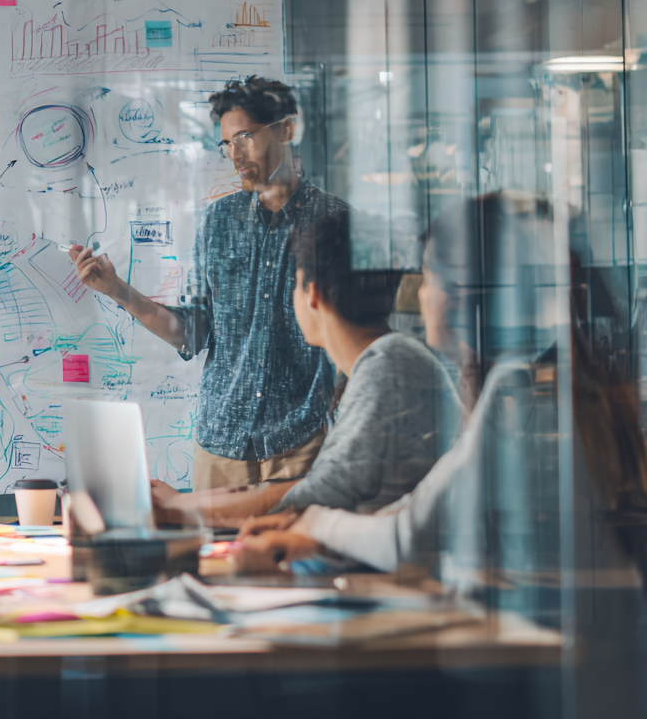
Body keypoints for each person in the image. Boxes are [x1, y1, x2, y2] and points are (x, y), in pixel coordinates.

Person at [235, 195, 647, 625]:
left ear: (464, 292)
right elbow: (422, 511)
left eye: (429, 277)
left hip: (541, 644)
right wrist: (318, 538)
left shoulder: (517, 390)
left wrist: (316, 525)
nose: (421, 293)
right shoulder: (530, 382)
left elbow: (408, 536)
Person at [69, 76, 347, 490]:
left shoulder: (335, 223)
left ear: (287, 129)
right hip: (221, 445)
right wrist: (116, 289)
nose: (235, 154)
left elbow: (353, 336)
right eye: (227, 143)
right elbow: (193, 333)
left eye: (246, 137)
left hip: (301, 444)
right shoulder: (219, 222)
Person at [149, 210, 462, 526]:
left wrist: (177, 507)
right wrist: (182, 500)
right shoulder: (386, 360)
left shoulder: (388, 367)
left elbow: (314, 496)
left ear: (314, 294)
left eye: (294, 285)